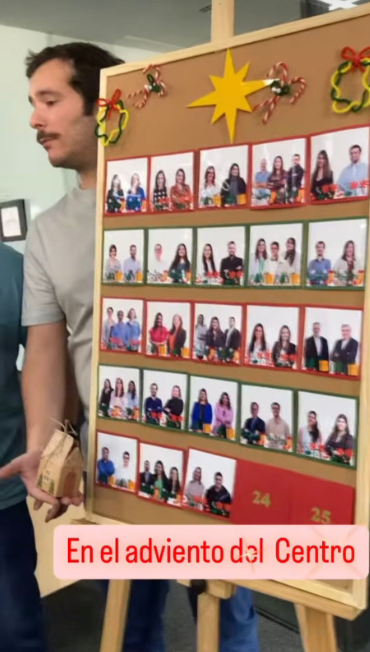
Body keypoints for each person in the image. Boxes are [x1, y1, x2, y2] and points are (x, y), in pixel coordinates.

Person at [6, 38, 258, 652]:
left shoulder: (192, 196)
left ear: (104, 103)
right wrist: (44, 445)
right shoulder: (48, 232)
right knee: (129, 622)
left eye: (49, 101)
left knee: (227, 615)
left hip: (212, 453)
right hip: (114, 465)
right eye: (33, 103)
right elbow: (46, 349)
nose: (35, 119)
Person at [0, 243, 48, 652]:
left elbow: (44, 361)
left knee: (17, 630)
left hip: (3, 491)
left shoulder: (12, 270)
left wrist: (43, 443)